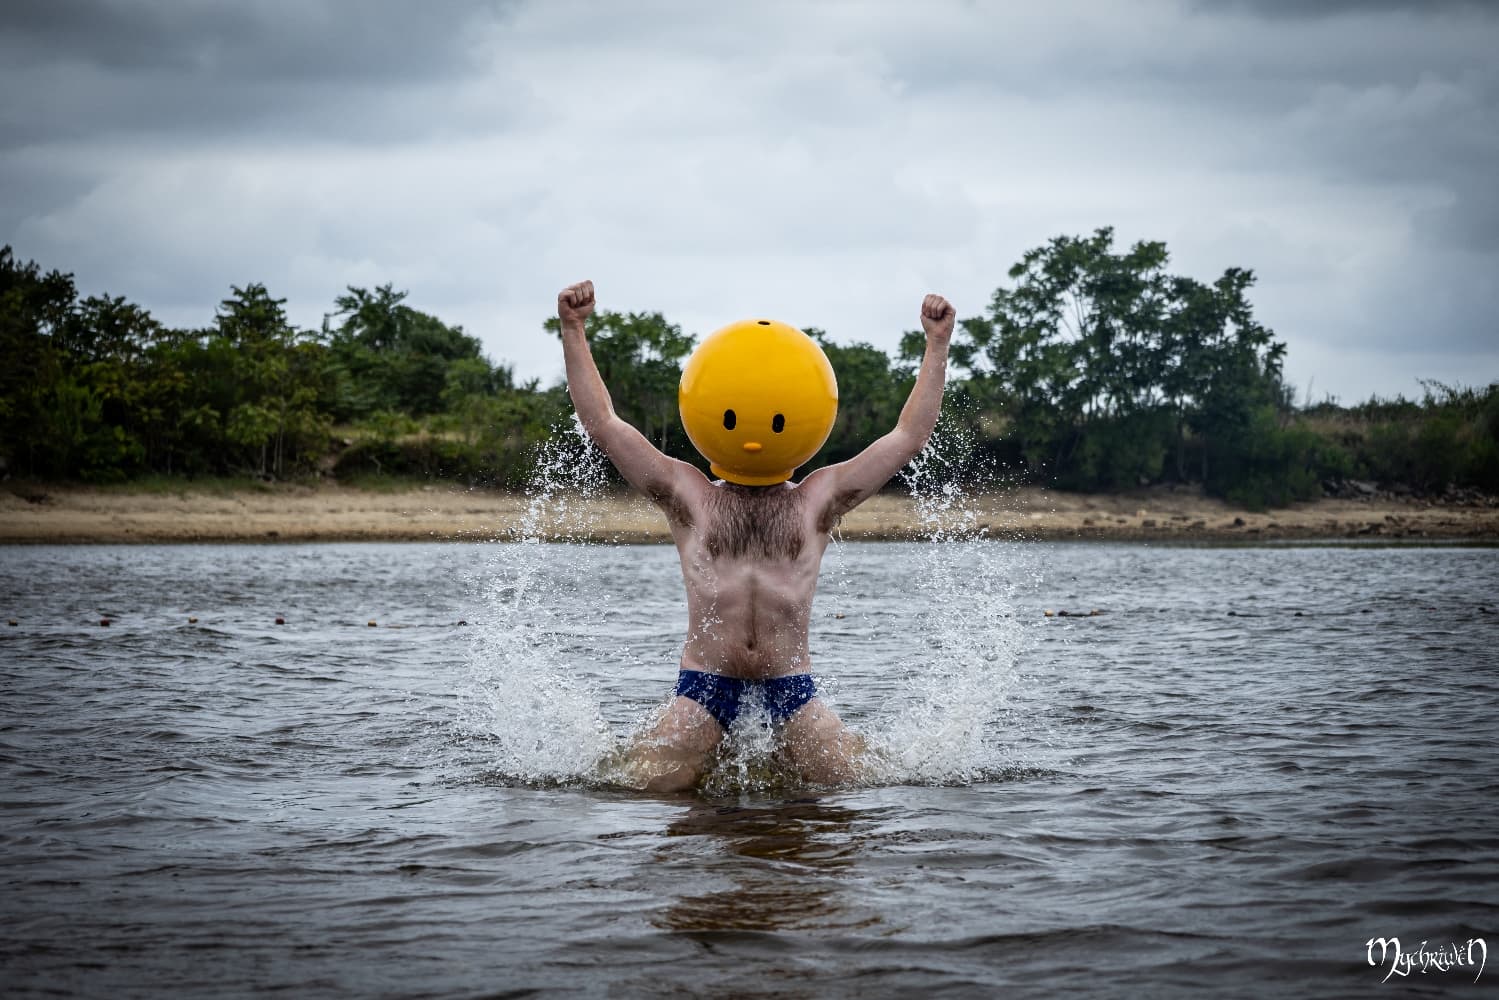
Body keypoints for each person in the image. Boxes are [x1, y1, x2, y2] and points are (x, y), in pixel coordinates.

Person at [556, 279, 954, 792]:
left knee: (851, 791)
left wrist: (937, 343)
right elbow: (603, 424)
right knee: (642, 790)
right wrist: (573, 328)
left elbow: (908, 437)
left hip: (791, 690)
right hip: (705, 687)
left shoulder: (818, 500)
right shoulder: (688, 496)